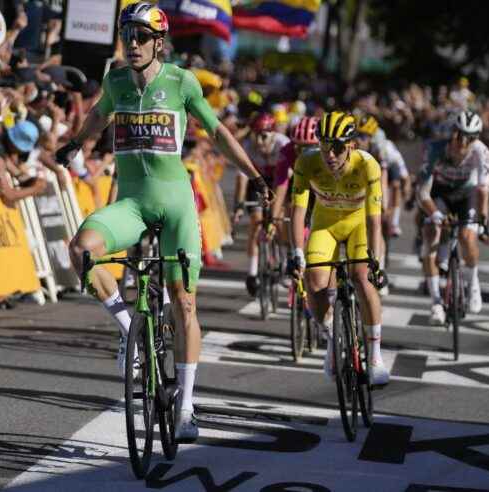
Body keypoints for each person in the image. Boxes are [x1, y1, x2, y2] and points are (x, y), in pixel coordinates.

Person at [55, 2, 266, 443]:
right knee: (82, 250)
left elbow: (218, 132)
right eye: (127, 35)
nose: (133, 44)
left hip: (175, 206)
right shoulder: (115, 81)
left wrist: (253, 173)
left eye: (142, 37)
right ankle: (131, 330)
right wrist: (74, 145)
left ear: (159, 42)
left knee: (184, 303)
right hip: (132, 203)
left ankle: (186, 407)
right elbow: (98, 115)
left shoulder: (180, 81)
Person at [289, 111, 390, 386]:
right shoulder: (307, 162)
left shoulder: (367, 165)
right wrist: (296, 253)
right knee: (315, 282)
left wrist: (376, 261)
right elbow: (298, 212)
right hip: (325, 226)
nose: (330, 154)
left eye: (337, 147)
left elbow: (374, 221)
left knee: (361, 278)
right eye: (324, 146)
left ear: (351, 146)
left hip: (358, 225)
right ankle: (334, 338)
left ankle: (376, 355)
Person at [416, 110, 489, 325]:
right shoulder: (435, 149)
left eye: (471, 137)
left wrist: (484, 220)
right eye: (459, 135)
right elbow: (422, 193)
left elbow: (483, 190)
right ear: (452, 132)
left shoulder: (481, 152)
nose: (464, 141)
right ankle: (436, 303)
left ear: (477, 139)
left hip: (465, 195)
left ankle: (473, 283)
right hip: (439, 194)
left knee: (468, 237)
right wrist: (437, 215)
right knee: (430, 235)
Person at [232, 112, 289, 296]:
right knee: (256, 224)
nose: (259, 140)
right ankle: (253, 272)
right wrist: (239, 205)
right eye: (255, 135)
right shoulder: (248, 146)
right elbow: (241, 178)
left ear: (273, 134)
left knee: (278, 220)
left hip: (279, 181)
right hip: (257, 182)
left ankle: (284, 260)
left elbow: (288, 179)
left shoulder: (283, 144)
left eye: (263, 136)